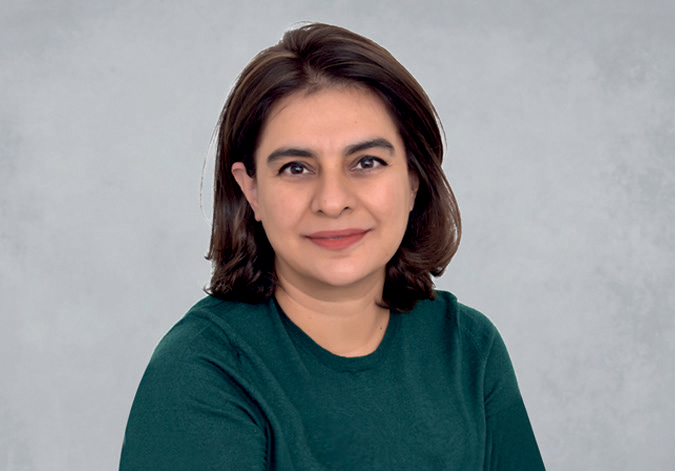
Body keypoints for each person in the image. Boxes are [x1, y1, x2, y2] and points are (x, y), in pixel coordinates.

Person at [120, 22, 545, 470]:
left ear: (413, 179)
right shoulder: (202, 370)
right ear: (252, 190)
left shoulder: (468, 349)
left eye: (367, 162)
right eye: (296, 168)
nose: (332, 201)